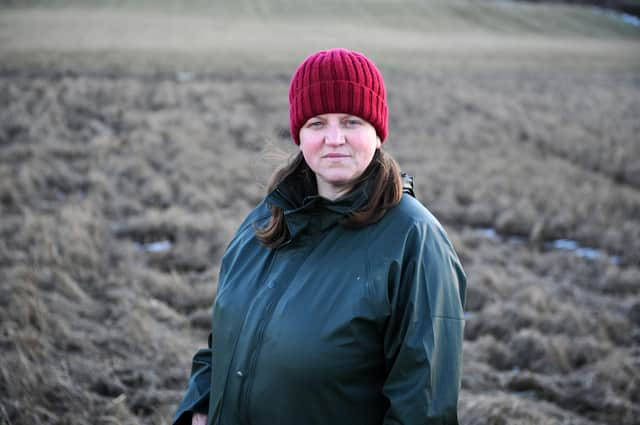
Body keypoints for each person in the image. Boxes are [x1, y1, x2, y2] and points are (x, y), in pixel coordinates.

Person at [173, 48, 466, 425]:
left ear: (377, 132)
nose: (334, 138)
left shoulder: (415, 242)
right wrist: (198, 408)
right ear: (299, 134)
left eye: (351, 121)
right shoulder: (266, 219)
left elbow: (422, 411)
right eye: (316, 123)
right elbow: (223, 344)